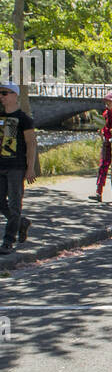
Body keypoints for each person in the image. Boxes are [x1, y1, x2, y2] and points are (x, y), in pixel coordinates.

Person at [0, 80, 37, 255]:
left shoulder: (24, 119)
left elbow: (31, 144)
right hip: (1, 165)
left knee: (15, 204)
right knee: (1, 203)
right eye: (0, 94)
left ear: (15, 96)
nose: (1, 97)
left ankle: (8, 241)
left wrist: (30, 168)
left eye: (5, 94)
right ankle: (22, 223)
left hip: (16, 167)